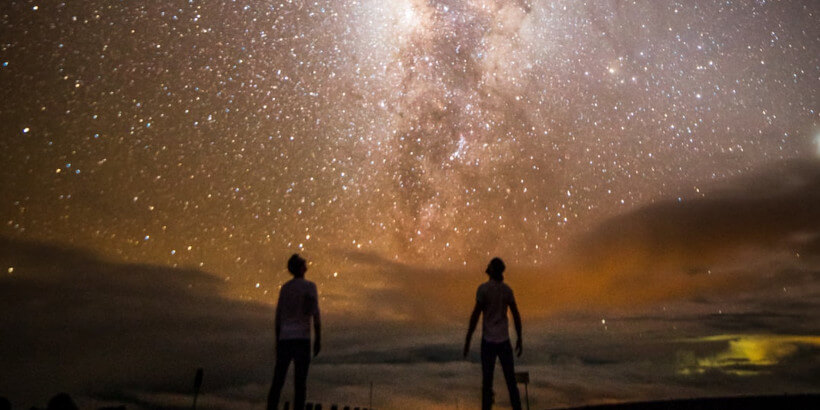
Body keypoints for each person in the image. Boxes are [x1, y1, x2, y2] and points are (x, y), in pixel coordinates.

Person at [463, 257, 523, 410]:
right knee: (510, 381)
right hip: (503, 340)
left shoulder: (483, 289)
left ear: (491, 270)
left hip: (488, 341)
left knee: (487, 383)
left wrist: (468, 339)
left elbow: (475, 315)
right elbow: (516, 315)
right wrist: (519, 338)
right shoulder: (507, 290)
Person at [267, 254, 322, 410]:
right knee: (300, 383)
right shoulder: (310, 287)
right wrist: (318, 338)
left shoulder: (285, 288)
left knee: (278, 380)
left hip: (285, 338)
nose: (307, 265)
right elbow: (314, 313)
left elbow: (279, 316)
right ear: (300, 267)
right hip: (302, 338)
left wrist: (278, 341)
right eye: (304, 263)